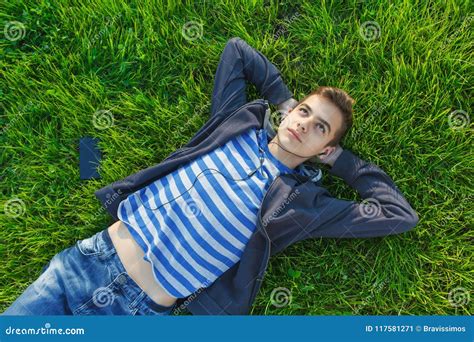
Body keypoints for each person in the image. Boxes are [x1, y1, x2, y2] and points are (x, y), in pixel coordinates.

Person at [2, 37, 419, 316]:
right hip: (84, 262)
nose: (304, 125)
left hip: (136, 311)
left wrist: (342, 162)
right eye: (304, 112)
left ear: (324, 149)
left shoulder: (303, 205)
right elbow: (237, 51)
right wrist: (283, 98)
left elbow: (398, 214)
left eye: (320, 128)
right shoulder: (233, 126)